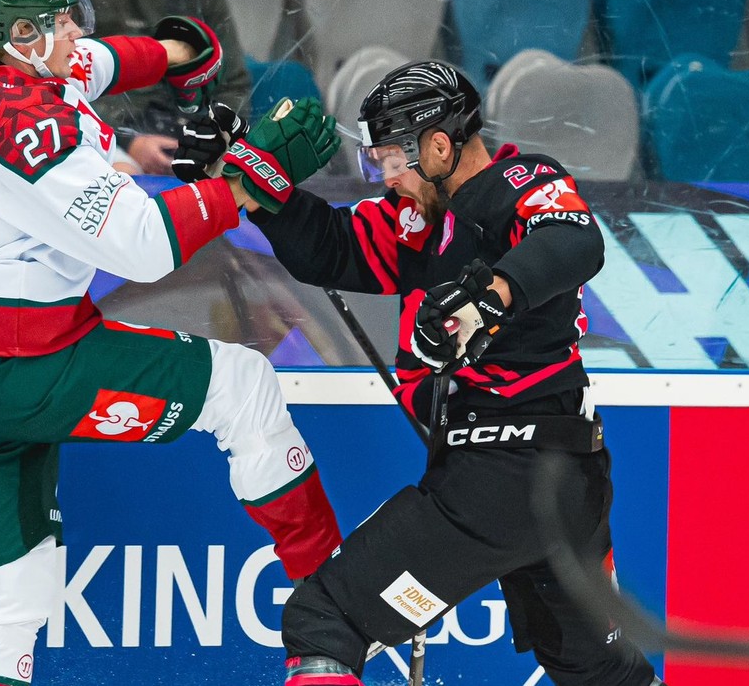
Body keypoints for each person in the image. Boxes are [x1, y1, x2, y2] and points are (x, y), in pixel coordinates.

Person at [0, 0, 345, 686]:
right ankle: (335, 613)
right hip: (26, 365)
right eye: (58, 19)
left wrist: (177, 52)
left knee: (11, 602)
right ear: (21, 36)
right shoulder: (30, 127)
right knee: (242, 385)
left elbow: (98, 62)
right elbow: (144, 245)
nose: (76, 29)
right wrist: (248, 180)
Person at [175, 61, 664, 686]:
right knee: (599, 671)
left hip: (504, 478)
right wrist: (245, 174)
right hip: (563, 482)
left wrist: (490, 295)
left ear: (439, 144)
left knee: (324, 619)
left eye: (393, 159)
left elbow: (573, 240)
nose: (386, 175)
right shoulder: (418, 222)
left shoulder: (519, 181)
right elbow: (329, 246)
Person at [79, 0, 252, 175]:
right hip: (101, 142)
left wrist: (205, 144)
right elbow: (53, 81)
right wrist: (127, 141)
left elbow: (231, 85)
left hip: (185, 141)